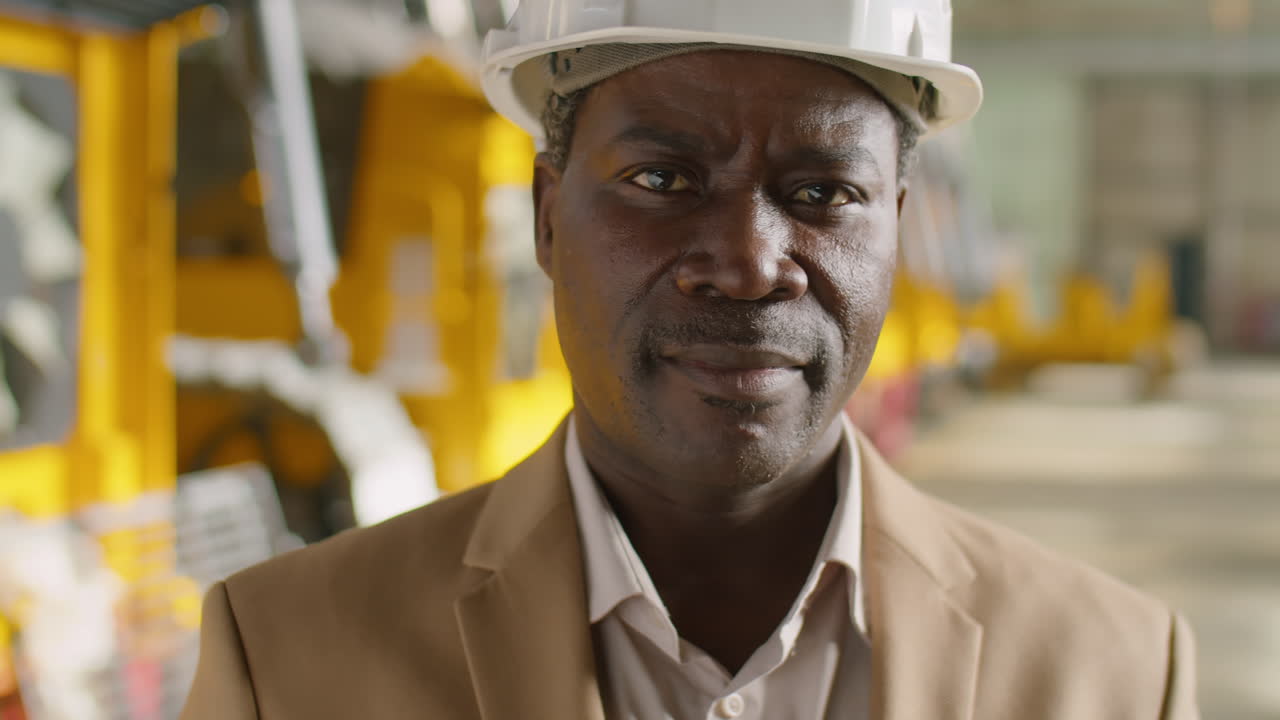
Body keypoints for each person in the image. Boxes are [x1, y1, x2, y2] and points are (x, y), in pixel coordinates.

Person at [181, 2, 1200, 718]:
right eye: (663, 178)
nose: (749, 265)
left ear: (894, 227)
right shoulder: (283, 661)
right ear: (548, 219)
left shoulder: (1112, 677)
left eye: (822, 194)